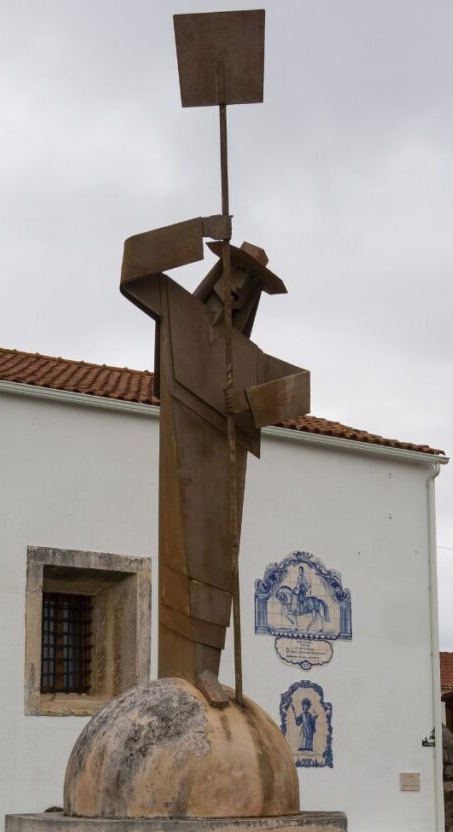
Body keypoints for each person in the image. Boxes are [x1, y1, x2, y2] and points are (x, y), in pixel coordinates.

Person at [121, 216, 310, 690]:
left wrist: (246, 403)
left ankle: (208, 671)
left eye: (248, 289)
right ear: (217, 276)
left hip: (223, 464)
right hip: (181, 450)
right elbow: (132, 268)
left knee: (216, 569)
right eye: (234, 278)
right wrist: (199, 229)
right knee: (182, 558)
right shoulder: (177, 312)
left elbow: (301, 390)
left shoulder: (245, 356)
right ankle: (184, 670)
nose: (237, 293)